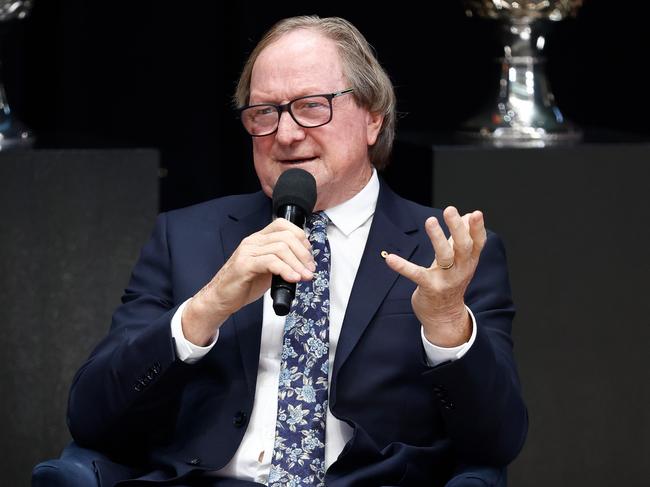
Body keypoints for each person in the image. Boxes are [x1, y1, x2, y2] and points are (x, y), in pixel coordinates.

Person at [67, 15, 527, 487]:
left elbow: (495, 444)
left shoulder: (446, 255)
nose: (285, 134)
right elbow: (91, 418)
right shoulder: (185, 236)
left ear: (373, 117)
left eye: (312, 106)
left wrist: (448, 326)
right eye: (264, 112)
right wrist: (204, 310)